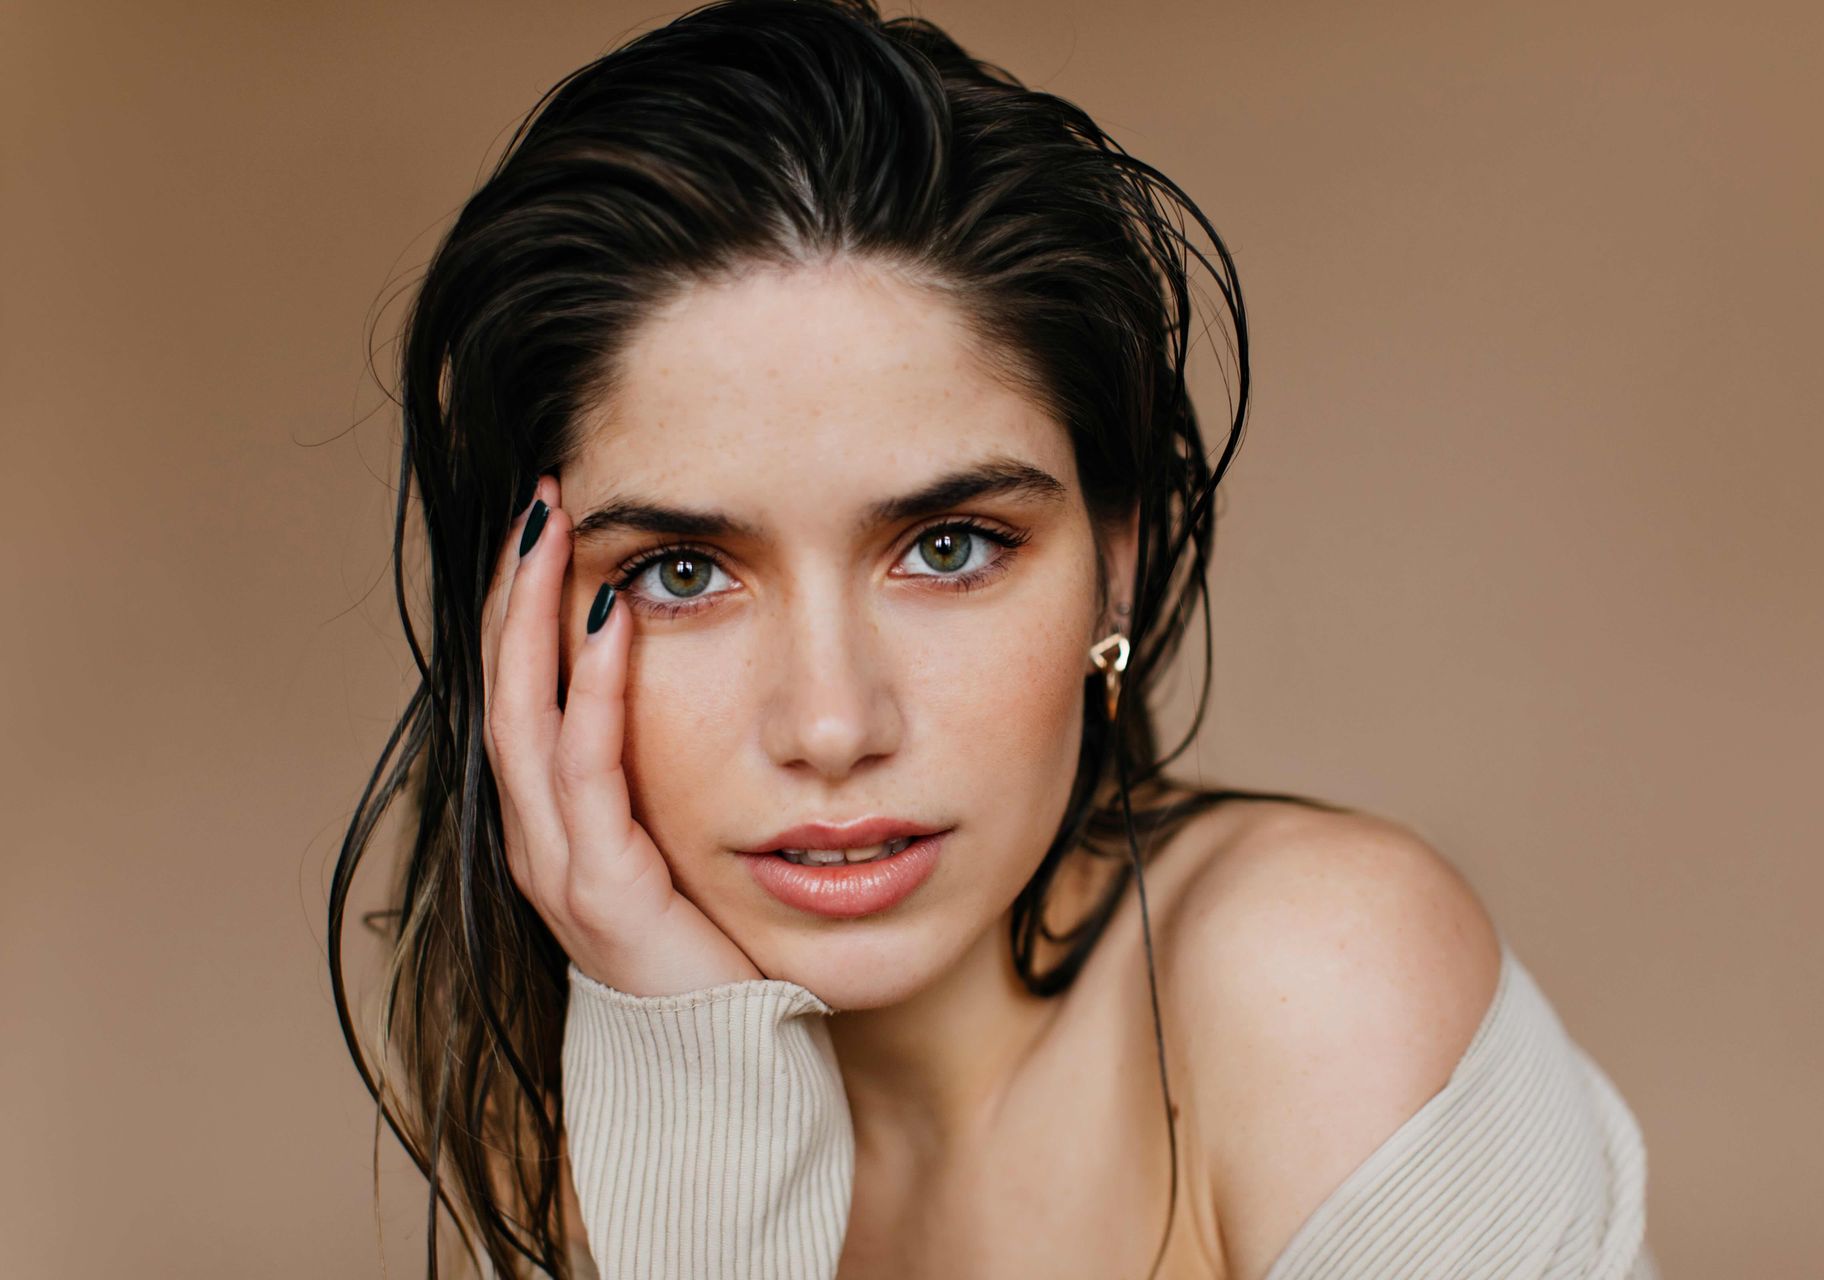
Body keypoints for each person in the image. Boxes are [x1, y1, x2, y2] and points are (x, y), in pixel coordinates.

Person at [328, 1, 1660, 1276]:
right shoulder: (568, 1114)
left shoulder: (1315, 989)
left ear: (1117, 573)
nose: (835, 726)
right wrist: (689, 1082)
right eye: (682, 571)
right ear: (533, 633)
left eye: (947, 548)